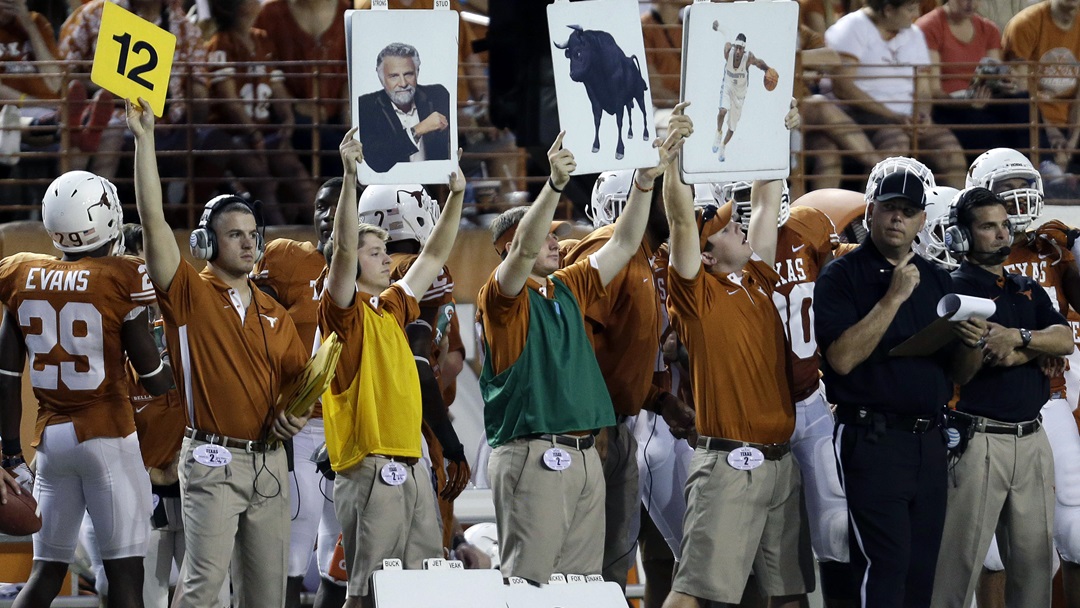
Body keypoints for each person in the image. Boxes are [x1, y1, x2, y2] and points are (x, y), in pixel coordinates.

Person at [478, 116, 685, 585]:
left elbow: (626, 240)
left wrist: (644, 182)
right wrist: (552, 184)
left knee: (584, 586)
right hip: (533, 452)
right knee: (530, 586)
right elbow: (523, 253)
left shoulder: (568, 286)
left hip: (583, 451)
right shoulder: (502, 297)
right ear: (513, 247)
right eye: (547, 234)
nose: (556, 241)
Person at [127, 97, 311, 608]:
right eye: (235, 236)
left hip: (271, 463)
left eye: (254, 236)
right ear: (206, 242)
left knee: (267, 596)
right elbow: (153, 220)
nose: (249, 245)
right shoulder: (190, 292)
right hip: (212, 458)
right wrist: (145, 141)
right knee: (203, 587)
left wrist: (293, 415)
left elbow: (300, 382)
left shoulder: (273, 310)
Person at [0, 171, 173, 608]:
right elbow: (153, 378)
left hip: (51, 445)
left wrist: (9, 453)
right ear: (106, 216)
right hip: (108, 436)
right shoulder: (122, 275)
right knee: (126, 577)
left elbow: (5, 377)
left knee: (45, 574)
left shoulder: (23, 273)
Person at [814, 165, 985, 608]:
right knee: (884, 564)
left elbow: (961, 374)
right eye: (890, 208)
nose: (897, 219)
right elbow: (842, 359)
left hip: (929, 438)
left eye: (908, 212)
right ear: (870, 212)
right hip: (872, 434)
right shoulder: (841, 275)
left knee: (921, 567)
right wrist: (893, 297)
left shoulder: (938, 278)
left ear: (922, 221)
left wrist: (972, 343)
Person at [661, 114, 810, 606]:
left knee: (788, 595)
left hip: (779, 463)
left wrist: (776, 128)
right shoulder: (695, 296)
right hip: (728, 462)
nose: (739, 225)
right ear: (704, 255)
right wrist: (673, 160)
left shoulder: (758, 280)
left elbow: (767, 199)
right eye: (725, 228)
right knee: (695, 594)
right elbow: (684, 219)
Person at [319, 129, 465, 608]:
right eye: (375, 254)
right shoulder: (342, 310)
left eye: (385, 251)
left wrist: (457, 195)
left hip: (410, 461)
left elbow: (436, 253)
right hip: (368, 465)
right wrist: (349, 177)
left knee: (421, 587)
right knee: (364, 591)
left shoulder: (393, 306)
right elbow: (342, 249)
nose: (387, 261)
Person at [929, 186, 1068, 608]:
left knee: (1036, 572)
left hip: (1032, 437)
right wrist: (1017, 348)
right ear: (962, 236)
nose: (1001, 235)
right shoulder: (953, 288)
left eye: (1005, 225)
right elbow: (965, 370)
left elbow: (1064, 340)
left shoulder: (1026, 286)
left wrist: (1019, 341)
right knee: (955, 572)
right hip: (978, 439)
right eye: (988, 227)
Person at [564, 156, 696, 589]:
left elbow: (622, 352)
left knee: (612, 568)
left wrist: (660, 399)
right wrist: (594, 416)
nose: (679, 201)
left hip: (619, 423)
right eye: (664, 192)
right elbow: (571, 335)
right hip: (590, 429)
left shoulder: (647, 258)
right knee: (579, 567)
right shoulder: (610, 248)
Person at [728, 181, 857, 607]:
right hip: (756, 412)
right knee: (763, 545)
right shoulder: (724, 249)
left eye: (754, 195)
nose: (749, 206)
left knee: (837, 529)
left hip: (810, 399)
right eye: (739, 196)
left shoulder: (811, 229)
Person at [966, 147, 1080, 606]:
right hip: (984, 404)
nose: (1017, 198)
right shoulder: (969, 253)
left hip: (1050, 397)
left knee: (1073, 531)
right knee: (992, 550)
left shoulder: (1049, 246)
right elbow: (986, 341)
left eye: (1022, 186)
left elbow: (1063, 328)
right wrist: (1036, 345)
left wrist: (1069, 256)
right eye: (1005, 188)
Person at [251, 177, 343, 608]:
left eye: (339, 205)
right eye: (322, 205)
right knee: (291, 549)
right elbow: (253, 332)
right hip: (299, 427)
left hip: (350, 427)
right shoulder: (288, 260)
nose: (327, 214)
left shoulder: (375, 263)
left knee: (339, 559)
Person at [824, 0, 967, 187]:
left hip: (907, 118)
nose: (916, 13)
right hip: (862, 114)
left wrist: (922, 115)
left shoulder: (914, 34)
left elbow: (923, 89)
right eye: (909, 8)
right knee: (895, 145)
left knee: (951, 152)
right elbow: (843, 87)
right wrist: (893, 116)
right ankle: (865, 210)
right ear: (888, 10)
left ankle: (952, 210)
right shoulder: (851, 27)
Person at [915, 0, 1031, 155]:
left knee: (1023, 102)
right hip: (948, 107)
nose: (971, 4)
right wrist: (966, 102)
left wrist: (1004, 83)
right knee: (983, 124)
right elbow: (934, 91)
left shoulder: (988, 29)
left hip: (983, 101)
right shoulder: (929, 26)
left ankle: (1041, 164)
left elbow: (993, 73)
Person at [1002, 0, 1080, 174]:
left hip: (1071, 126)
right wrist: (1051, 132)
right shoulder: (1025, 24)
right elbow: (1020, 91)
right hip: (1032, 123)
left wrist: (1071, 145)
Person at [357, 42, 451, 173]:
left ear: (417, 72)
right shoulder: (366, 105)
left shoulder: (438, 95)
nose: (403, 83)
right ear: (381, 78)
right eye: (394, 76)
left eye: (408, 74)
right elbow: (376, 159)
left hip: (435, 187)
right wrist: (418, 129)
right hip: (389, 188)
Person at [711, 31, 774, 162]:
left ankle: (723, 145)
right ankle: (718, 132)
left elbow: (759, 63)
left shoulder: (748, 58)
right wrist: (719, 27)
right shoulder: (728, 52)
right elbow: (725, 34)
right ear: (734, 47)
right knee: (722, 111)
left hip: (739, 94)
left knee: (732, 128)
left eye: (741, 49)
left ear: (744, 49)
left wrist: (767, 69)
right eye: (737, 48)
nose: (738, 52)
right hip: (728, 87)